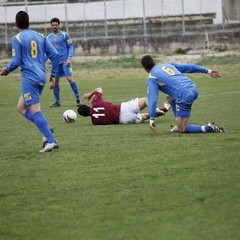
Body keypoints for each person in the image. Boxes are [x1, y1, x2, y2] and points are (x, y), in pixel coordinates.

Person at [0, 11, 59, 153]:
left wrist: (6, 70)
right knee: (21, 107)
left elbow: (16, 61)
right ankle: (46, 128)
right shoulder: (40, 36)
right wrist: (54, 75)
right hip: (41, 77)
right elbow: (55, 55)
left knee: (34, 109)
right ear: (29, 23)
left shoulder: (17, 38)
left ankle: (51, 140)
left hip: (29, 78)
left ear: (16, 24)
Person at [140, 54, 226, 133]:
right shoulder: (166, 65)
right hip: (193, 88)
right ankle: (178, 124)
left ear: (144, 68)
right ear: (154, 62)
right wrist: (208, 71)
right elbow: (189, 67)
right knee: (170, 98)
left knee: (182, 129)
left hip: (184, 95)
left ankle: (209, 128)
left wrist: (151, 119)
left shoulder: (151, 78)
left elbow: (153, 99)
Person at [77, 87, 170, 125]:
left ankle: (165, 108)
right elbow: (99, 88)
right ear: (87, 106)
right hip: (123, 108)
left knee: (146, 116)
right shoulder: (96, 102)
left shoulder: (95, 122)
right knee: (146, 100)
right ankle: (155, 109)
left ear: (85, 116)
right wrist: (89, 95)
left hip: (123, 120)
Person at [47, 17, 81, 107]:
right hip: (55, 63)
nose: (54, 26)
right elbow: (47, 51)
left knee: (70, 79)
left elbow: (70, 47)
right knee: (55, 82)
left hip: (65, 61)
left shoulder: (64, 35)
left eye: (56, 25)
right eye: (53, 25)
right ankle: (57, 102)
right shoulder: (48, 37)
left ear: (59, 25)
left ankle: (78, 100)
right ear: (51, 26)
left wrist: (69, 58)